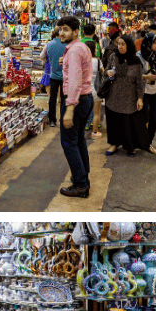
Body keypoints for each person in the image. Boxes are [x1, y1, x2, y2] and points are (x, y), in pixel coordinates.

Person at [57, 16, 94, 198]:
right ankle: (83, 178)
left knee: (68, 143)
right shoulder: (81, 47)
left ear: (75, 32)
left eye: (65, 29)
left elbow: (75, 81)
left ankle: (80, 185)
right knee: (78, 140)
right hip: (85, 99)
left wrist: (69, 107)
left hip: (77, 101)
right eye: (60, 29)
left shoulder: (73, 50)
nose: (61, 33)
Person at [102, 33, 146, 156]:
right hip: (113, 96)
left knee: (128, 123)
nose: (120, 47)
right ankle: (113, 145)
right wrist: (108, 72)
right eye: (119, 44)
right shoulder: (113, 57)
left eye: (123, 44)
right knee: (113, 122)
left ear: (129, 46)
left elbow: (139, 81)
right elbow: (105, 71)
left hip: (129, 97)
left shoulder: (135, 61)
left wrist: (140, 98)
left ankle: (130, 146)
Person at [139, 32, 156, 154]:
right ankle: (142, 142)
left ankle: (148, 143)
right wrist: (146, 77)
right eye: (155, 43)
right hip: (144, 92)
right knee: (144, 118)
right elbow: (135, 75)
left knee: (154, 119)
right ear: (148, 43)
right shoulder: (139, 56)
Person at [82, 22, 104, 138]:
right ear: (94, 32)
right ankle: (93, 125)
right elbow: (100, 64)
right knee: (95, 109)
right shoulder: (95, 45)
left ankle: (84, 124)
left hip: (83, 85)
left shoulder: (79, 43)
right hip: (95, 85)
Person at [45, 28, 66, 128]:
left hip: (53, 75)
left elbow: (43, 56)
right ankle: (63, 119)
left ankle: (52, 120)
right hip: (64, 76)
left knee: (52, 98)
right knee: (63, 99)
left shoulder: (49, 44)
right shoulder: (67, 45)